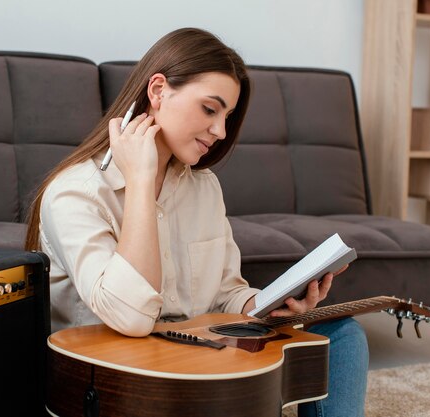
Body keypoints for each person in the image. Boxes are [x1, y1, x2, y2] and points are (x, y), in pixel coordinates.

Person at [25, 27, 368, 417]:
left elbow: (226, 295)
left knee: (342, 336)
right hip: (120, 378)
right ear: (158, 92)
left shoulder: (203, 189)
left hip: (196, 361)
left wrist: (274, 305)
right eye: (210, 109)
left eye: (227, 116)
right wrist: (139, 181)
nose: (220, 132)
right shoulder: (74, 193)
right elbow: (132, 317)